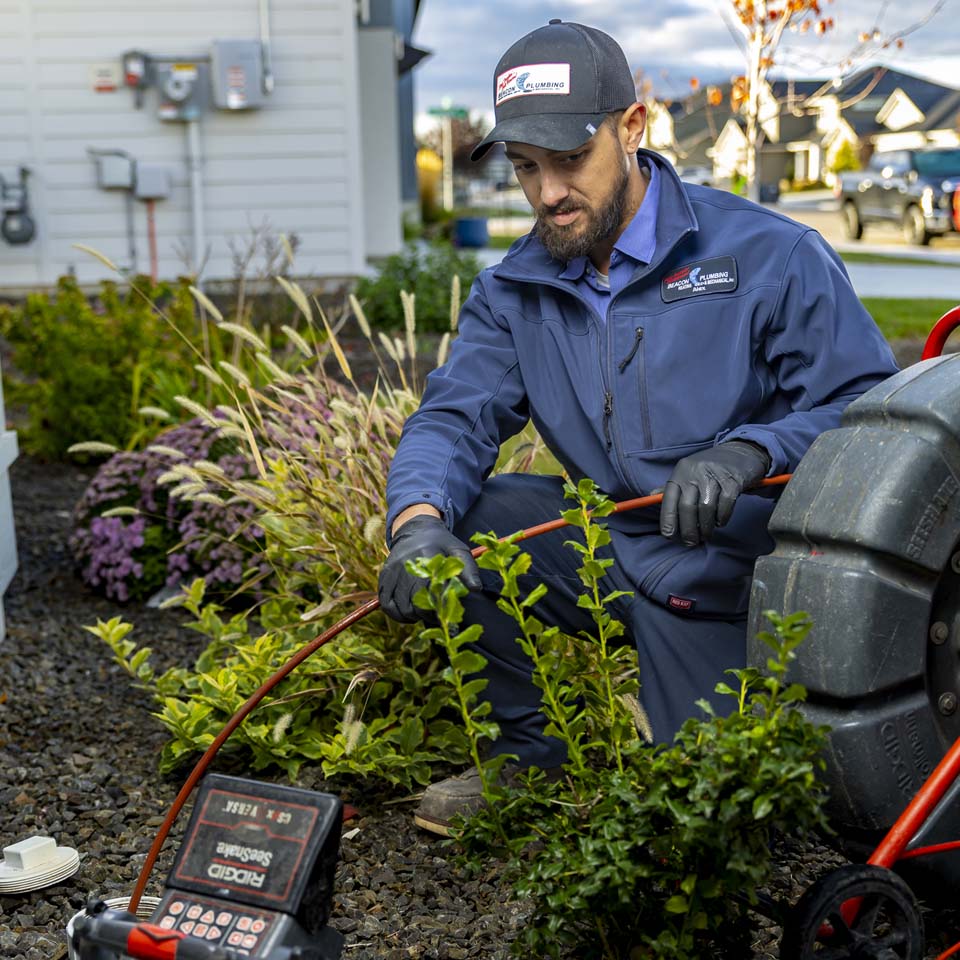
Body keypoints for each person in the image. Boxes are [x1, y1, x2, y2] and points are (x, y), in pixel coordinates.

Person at [378, 20, 899, 836]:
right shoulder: (515, 290)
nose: (547, 193)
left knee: (709, 827)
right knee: (465, 522)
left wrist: (752, 452)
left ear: (631, 128)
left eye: (568, 160)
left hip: (746, 580)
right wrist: (414, 525)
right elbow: (452, 419)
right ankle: (530, 763)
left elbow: (873, 413)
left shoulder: (770, 257)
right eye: (525, 168)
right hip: (622, 552)